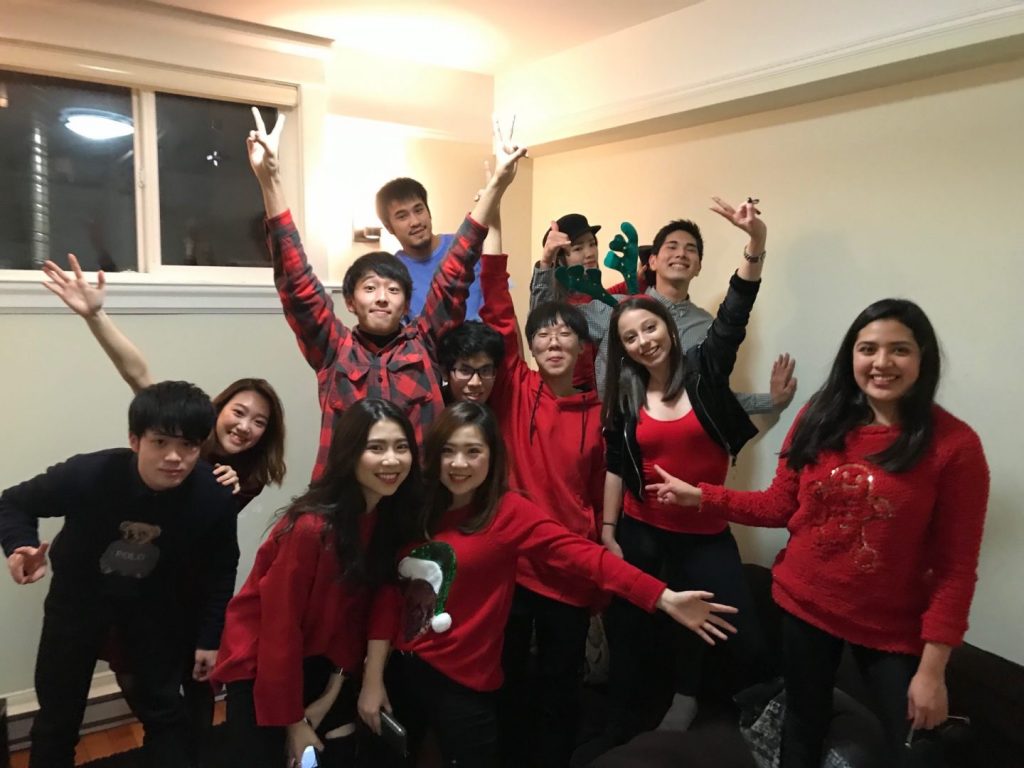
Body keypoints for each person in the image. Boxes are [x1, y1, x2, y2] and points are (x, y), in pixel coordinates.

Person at [654, 299, 990, 768]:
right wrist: (703, 497)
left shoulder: (954, 446)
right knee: (802, 726)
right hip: (804, 606)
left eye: (899, 350)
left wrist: (933, 672)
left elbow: (956, 569)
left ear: (923, 358)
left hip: (890, 625)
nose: (882, 362)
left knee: (919, 751)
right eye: (868, 349)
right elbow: (780, 505)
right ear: (851, 356)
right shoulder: (820, 415)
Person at [357, 401, 739, 767]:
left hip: (465, 682)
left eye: (473, 451)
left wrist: (663, 597)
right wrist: (372, 680)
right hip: (404, 668)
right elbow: (390, 593)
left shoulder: (508, 513)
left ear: (492, 457)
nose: (459, 464)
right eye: (449, 451)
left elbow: (585, 557)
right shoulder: (415, 507)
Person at [247, 109, 525, 478]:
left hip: (416, 499)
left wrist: (495, 188)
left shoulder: (425, 345)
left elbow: (456, 270)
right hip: (347, 500)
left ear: (406, 303)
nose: (381, 297)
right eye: (369, 288)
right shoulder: (333, 350)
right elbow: (296, 283)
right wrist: (271, 182)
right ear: (351, 302)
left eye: (393, 289)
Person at [597, 197, 776, 751]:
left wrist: (755, 245)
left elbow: (734, 317)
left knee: (736, 630)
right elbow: (614, 463)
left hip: (703, 530)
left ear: (670, 330)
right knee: (633, 623)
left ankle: (690, 696)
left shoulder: (704, 373)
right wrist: (608, 531)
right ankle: (629, 711)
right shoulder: (626, 393)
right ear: (624, 349)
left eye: (650, 328)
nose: (643, 341)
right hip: (640, 527)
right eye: (630, 338)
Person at [0, 381, 239, 768]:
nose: (174, 457)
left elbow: (221, 568)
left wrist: (210, 636)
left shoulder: (212, 494)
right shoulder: (89, 473)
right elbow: (12, 502)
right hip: (78, 601)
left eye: (188, 445)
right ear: (134, 440)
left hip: (154, 607)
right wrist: (19, 546)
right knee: (57, 718)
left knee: (164, 712)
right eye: (160, 442)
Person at [212, 399, 423, 768]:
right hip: (265, 664)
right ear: (349, 454)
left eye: (401, 447)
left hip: (324, 658)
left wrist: (341, 687)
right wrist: (293, 721)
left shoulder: (386, 516)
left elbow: (368, 609)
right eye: (376, 448)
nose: (391, 460)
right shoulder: (312, 528)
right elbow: (279, 628)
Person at [478, 241, 607, 765]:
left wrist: (599, 564)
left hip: (570, 567)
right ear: (530, 347)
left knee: (561, 683)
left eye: (565, 333)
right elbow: (497, 305)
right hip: (512, 565)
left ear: (582, 346)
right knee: (506, 675)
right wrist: (494, 207)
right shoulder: (515, 387)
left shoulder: (599, 413)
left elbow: (597, 497)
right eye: (543, 334)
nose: (554, 341)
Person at [40, 252, 287, 507]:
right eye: (238, 412)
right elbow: (138, 375)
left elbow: (206, 526)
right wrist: (95, 316)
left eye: (259, 422)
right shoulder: (188, 424)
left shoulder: (249, 478)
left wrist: (221, 491)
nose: (244, 426)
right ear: (217, 410)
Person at [530, 203, 796, 411]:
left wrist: (769, 401)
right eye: (672, 246)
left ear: (698, 266)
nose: (681, 253)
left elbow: (710, 396)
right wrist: (546, 261)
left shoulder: (706, 327)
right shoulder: (616, 308)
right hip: (614, 449)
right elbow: (543, 325)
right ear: (653, 261)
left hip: (675, 451)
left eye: (690, 249)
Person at [375, 177, 484, 321]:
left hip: (485, 334)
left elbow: (500, 303)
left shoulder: (465, 246)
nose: (415, 222)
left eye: (419, 210)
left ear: (429, 212)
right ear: (389, 227)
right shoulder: (392, 273)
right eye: (402, 216)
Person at [437, 321, 504, 404]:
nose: (475, 383)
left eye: (485, 371)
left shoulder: (500, 405)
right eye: (465, 371)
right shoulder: (431, 408)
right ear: (444, 372)